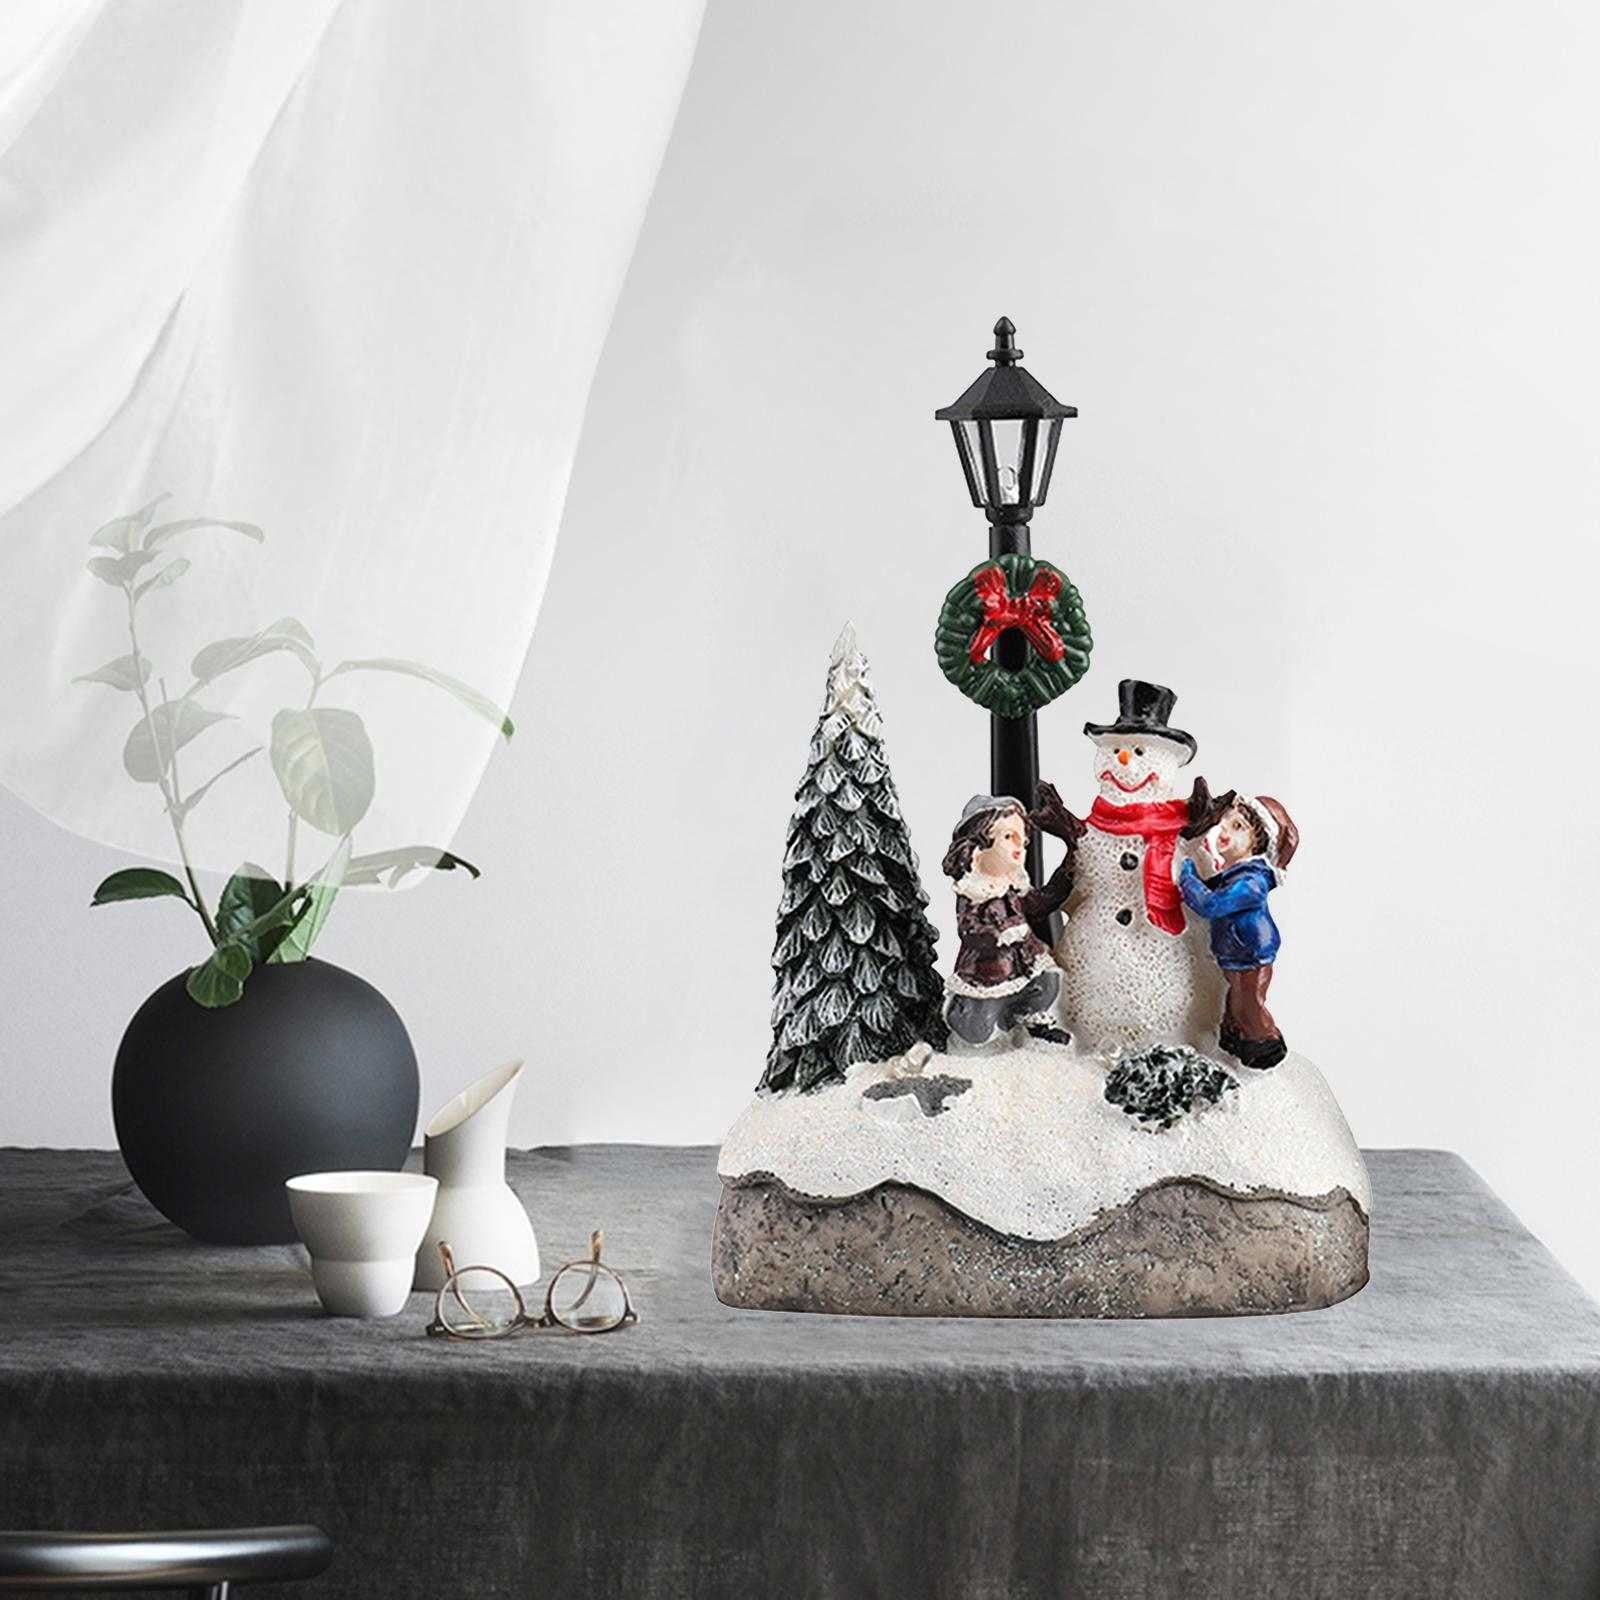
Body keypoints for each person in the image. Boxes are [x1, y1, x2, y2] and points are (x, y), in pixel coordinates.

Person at [941, 794, 1074, 1047]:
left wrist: (1066, 873)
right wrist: (999, 934)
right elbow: (969, 930)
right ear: (978, 848)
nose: (1019, 847)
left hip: (1024, 963)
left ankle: (1028, 1019)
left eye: (1022, 841)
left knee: (1049, 981)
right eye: (1008, 837)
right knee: (976, 1031)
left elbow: (1039, 904)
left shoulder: (1012, 889)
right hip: (988, 974)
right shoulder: (974, 892)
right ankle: (960, 1011)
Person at [1176, 795, 1299, 1069]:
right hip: (1235, 955)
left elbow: (1210, 904)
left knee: (1248, 1008)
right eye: (1225, 824)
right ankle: (1233, 1039)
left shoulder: (1252, 882)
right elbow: (1210, 886)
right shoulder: (1234, 874)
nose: (1224, 832)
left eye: (1238, 827)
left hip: (1251, 956)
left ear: (1258, 842)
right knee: (1234, 1003)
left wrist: (1186, 875)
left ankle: (1264, 1043)